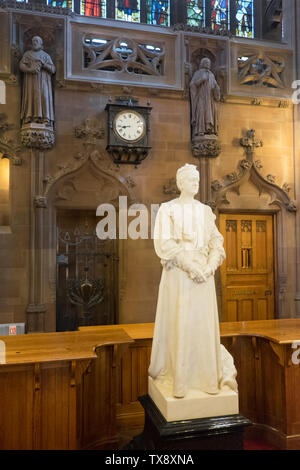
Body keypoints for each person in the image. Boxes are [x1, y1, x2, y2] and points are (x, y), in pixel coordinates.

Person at [148, 164, 237, 398]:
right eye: (191, 179)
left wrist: (208, 267)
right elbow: (165, 244)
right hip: (180, 274)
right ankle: (180, 381)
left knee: (202, 326)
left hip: (203, 277)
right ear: (180, 183)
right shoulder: (167, 210)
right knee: (181, 324)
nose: (196, 183)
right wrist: (191, 267)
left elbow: (216, 243)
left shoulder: (205, 212)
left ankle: (205, 380)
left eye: (197, 180)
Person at [19, 36, 55, 127]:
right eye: (33, 41)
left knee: (44, 97)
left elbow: (53, 69)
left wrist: (44, 64)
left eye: (37, 41)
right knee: (31, 97)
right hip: (30, 82)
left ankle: (45, 118)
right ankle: (29, 117)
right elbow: (21, 65)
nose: (35, 42)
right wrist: (30, 69)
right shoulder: (28, 54)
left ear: (41, 43)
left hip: (43, 82)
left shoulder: (46, 55)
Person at [190, 58, 220, 138]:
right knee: (201, 111)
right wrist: (201, 80)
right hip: (201, 96)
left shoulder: (211, 75)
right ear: (202, 63)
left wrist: (216, 88)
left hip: (210, 99)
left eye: (209, 62)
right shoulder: (198, 73)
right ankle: (200, 130)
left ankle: (209, 129)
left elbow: (215, 85)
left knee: (210, 112)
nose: (208, 64)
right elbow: (192, 85)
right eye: (206, 62)